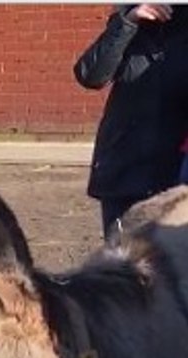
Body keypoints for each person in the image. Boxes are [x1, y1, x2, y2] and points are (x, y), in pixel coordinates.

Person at [74, 4, 188, 242]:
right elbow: (91, 75)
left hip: (176, 180)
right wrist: (128, 22)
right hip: (124, 173)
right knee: (121, 267)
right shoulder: (131, 24)